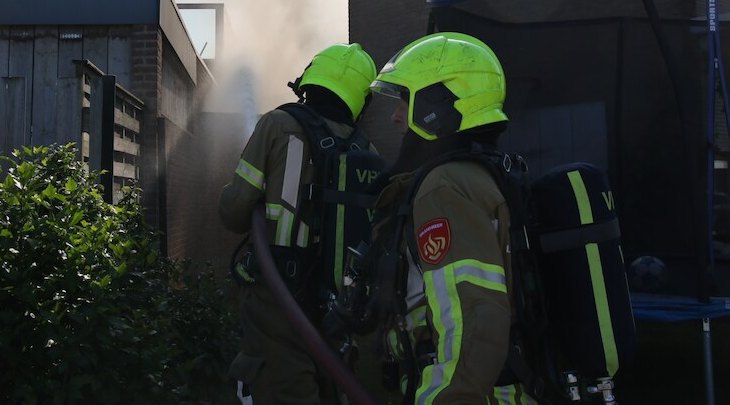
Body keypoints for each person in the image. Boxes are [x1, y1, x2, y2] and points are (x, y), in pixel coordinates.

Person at [368, 32, 534, 404]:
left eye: (406, 101)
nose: (396, 117)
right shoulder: (482, 175)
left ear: (437, 105)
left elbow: (474, 318)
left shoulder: (443, 187)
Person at [219, 43, 379, 405]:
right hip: (335, 308)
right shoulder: (366, 152)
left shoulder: (277, 125)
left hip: (276, 298)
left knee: (281, 387)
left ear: (310, 78)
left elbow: (233, 212)